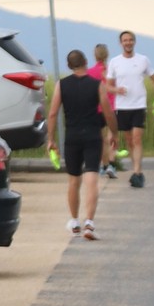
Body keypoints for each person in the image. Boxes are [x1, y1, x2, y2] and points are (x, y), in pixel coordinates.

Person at [46, 50, 108, 239]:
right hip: (92, 136)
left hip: (72, 137)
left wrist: (51, 139)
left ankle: (74, 222)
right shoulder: (97, 84)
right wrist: (113, 133)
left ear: (69, 65)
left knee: (74, 180)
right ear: (86, 62)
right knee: (92, 179)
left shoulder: (62, 85)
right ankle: (89, 223)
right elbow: (108, 111)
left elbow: (53, 113)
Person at [106, 31, 154, 187]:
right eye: (125, 40)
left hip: (139, 105)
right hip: (122, 107)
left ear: (134, 42)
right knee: (129, 140)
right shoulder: (115, 62)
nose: (128, 43)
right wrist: (117, 90)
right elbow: (108, 86)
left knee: (137, 138)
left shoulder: (143, 60)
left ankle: (138, 172)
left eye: (130, 40)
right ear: (121, 43)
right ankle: (135, 169)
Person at [88, 44, 120, 180]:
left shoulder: (90, 72)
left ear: (95, 55)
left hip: (97, 108)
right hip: (112, 107)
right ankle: (111, 164)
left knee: (102, 139)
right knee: (112, 136)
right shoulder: (112, 72)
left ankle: (104, 165)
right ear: (107, 55)